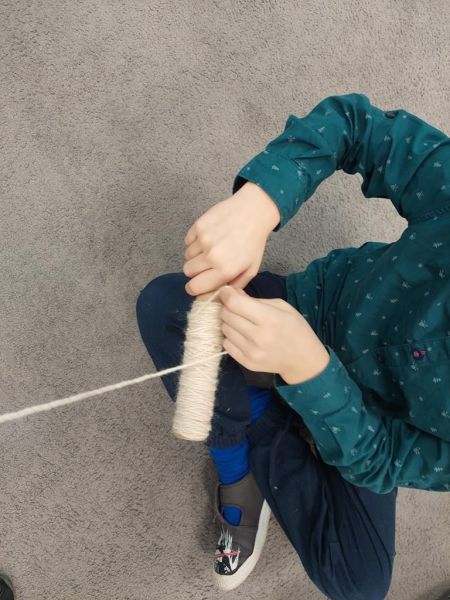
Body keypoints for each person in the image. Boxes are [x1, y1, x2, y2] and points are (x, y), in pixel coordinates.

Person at [135, 92, 450, 600]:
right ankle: (239, 470)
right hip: (313, 306)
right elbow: (356, 125)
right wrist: (259, 203)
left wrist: (313, 375)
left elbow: (384, 457)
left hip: (366, 421)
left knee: (359, 584)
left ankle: (264, 429)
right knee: (164, 307)